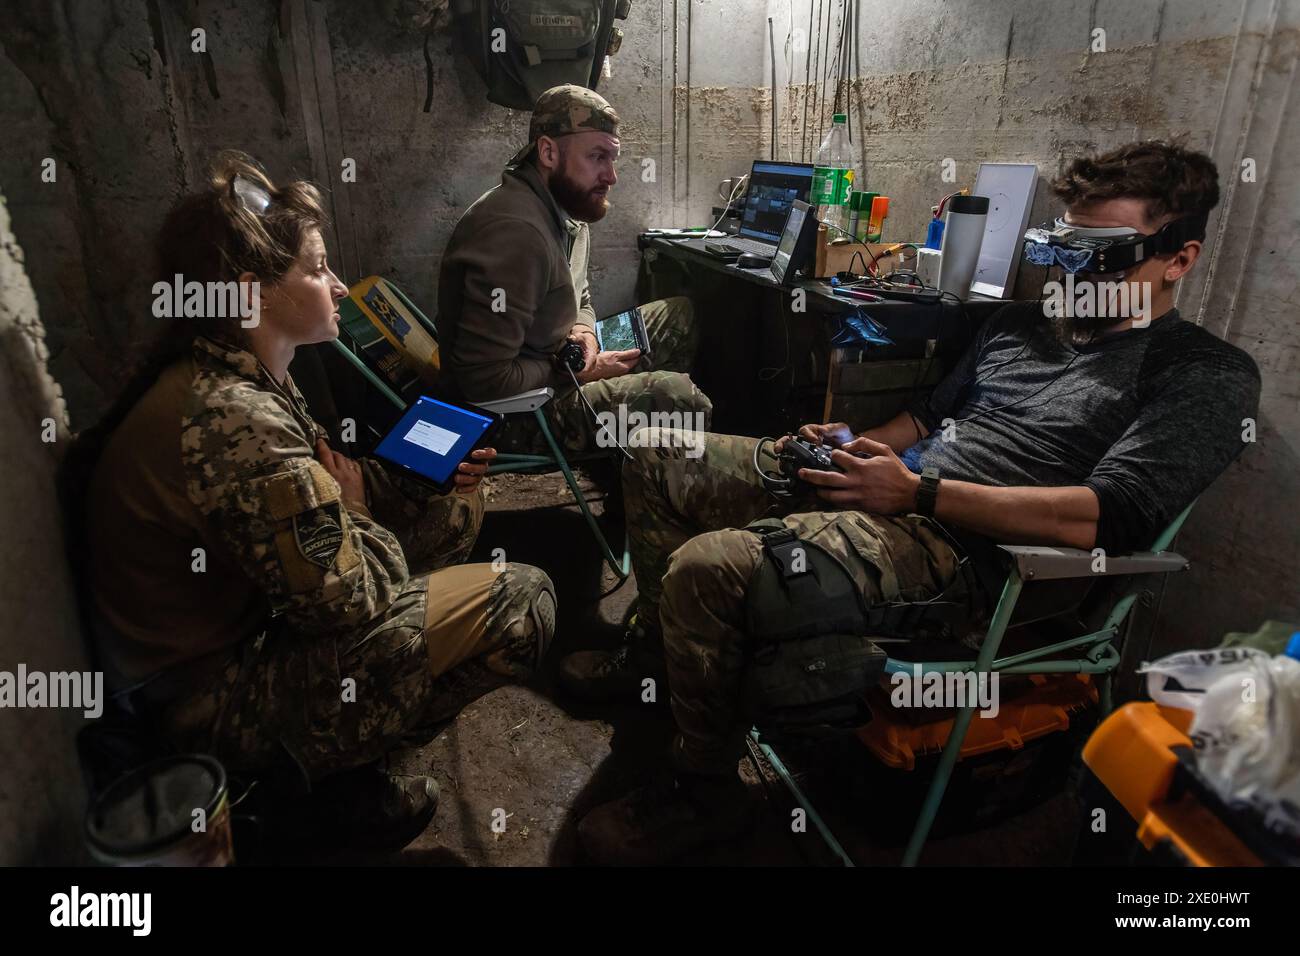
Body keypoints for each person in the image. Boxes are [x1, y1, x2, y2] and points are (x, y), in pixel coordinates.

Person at [568, 139, 1262, 864]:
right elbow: (928, 419)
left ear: (1178, 258)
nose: (1073, 274)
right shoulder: (1020, 325)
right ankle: (655, 654)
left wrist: (919, 493)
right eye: (1065, 249)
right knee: (653, 452)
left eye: (1103, 255)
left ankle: (706, 790)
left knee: (709, 569)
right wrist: (856, 444)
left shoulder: (1203, 373)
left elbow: (1108, 515)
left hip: (981, 555)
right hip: (903, 490)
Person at [77, 152, 556, 840]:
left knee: (449, 501)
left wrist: (388, 486)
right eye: (315, 269)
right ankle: (312, 788)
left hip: (242, 627)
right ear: (251, 294)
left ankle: (349, 740)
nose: (336, 285)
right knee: (521, 601)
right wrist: (357, 508)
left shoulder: (242, 368)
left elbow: (324, 488)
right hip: (203, 706)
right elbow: (347, 598)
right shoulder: (233, 417)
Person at [435, 84, 711, 455]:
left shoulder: (567, 209)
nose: (611, 176)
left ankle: (628, 461)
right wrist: (582, 371)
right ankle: (646, 483)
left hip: (560, 360)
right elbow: (484, 381)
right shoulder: (515, 233)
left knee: (676, 314)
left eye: (613, 159)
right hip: (513, 415)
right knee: (680, 397)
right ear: (548, 152)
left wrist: (584, 332)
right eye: (597, 157)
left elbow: (580, 295)